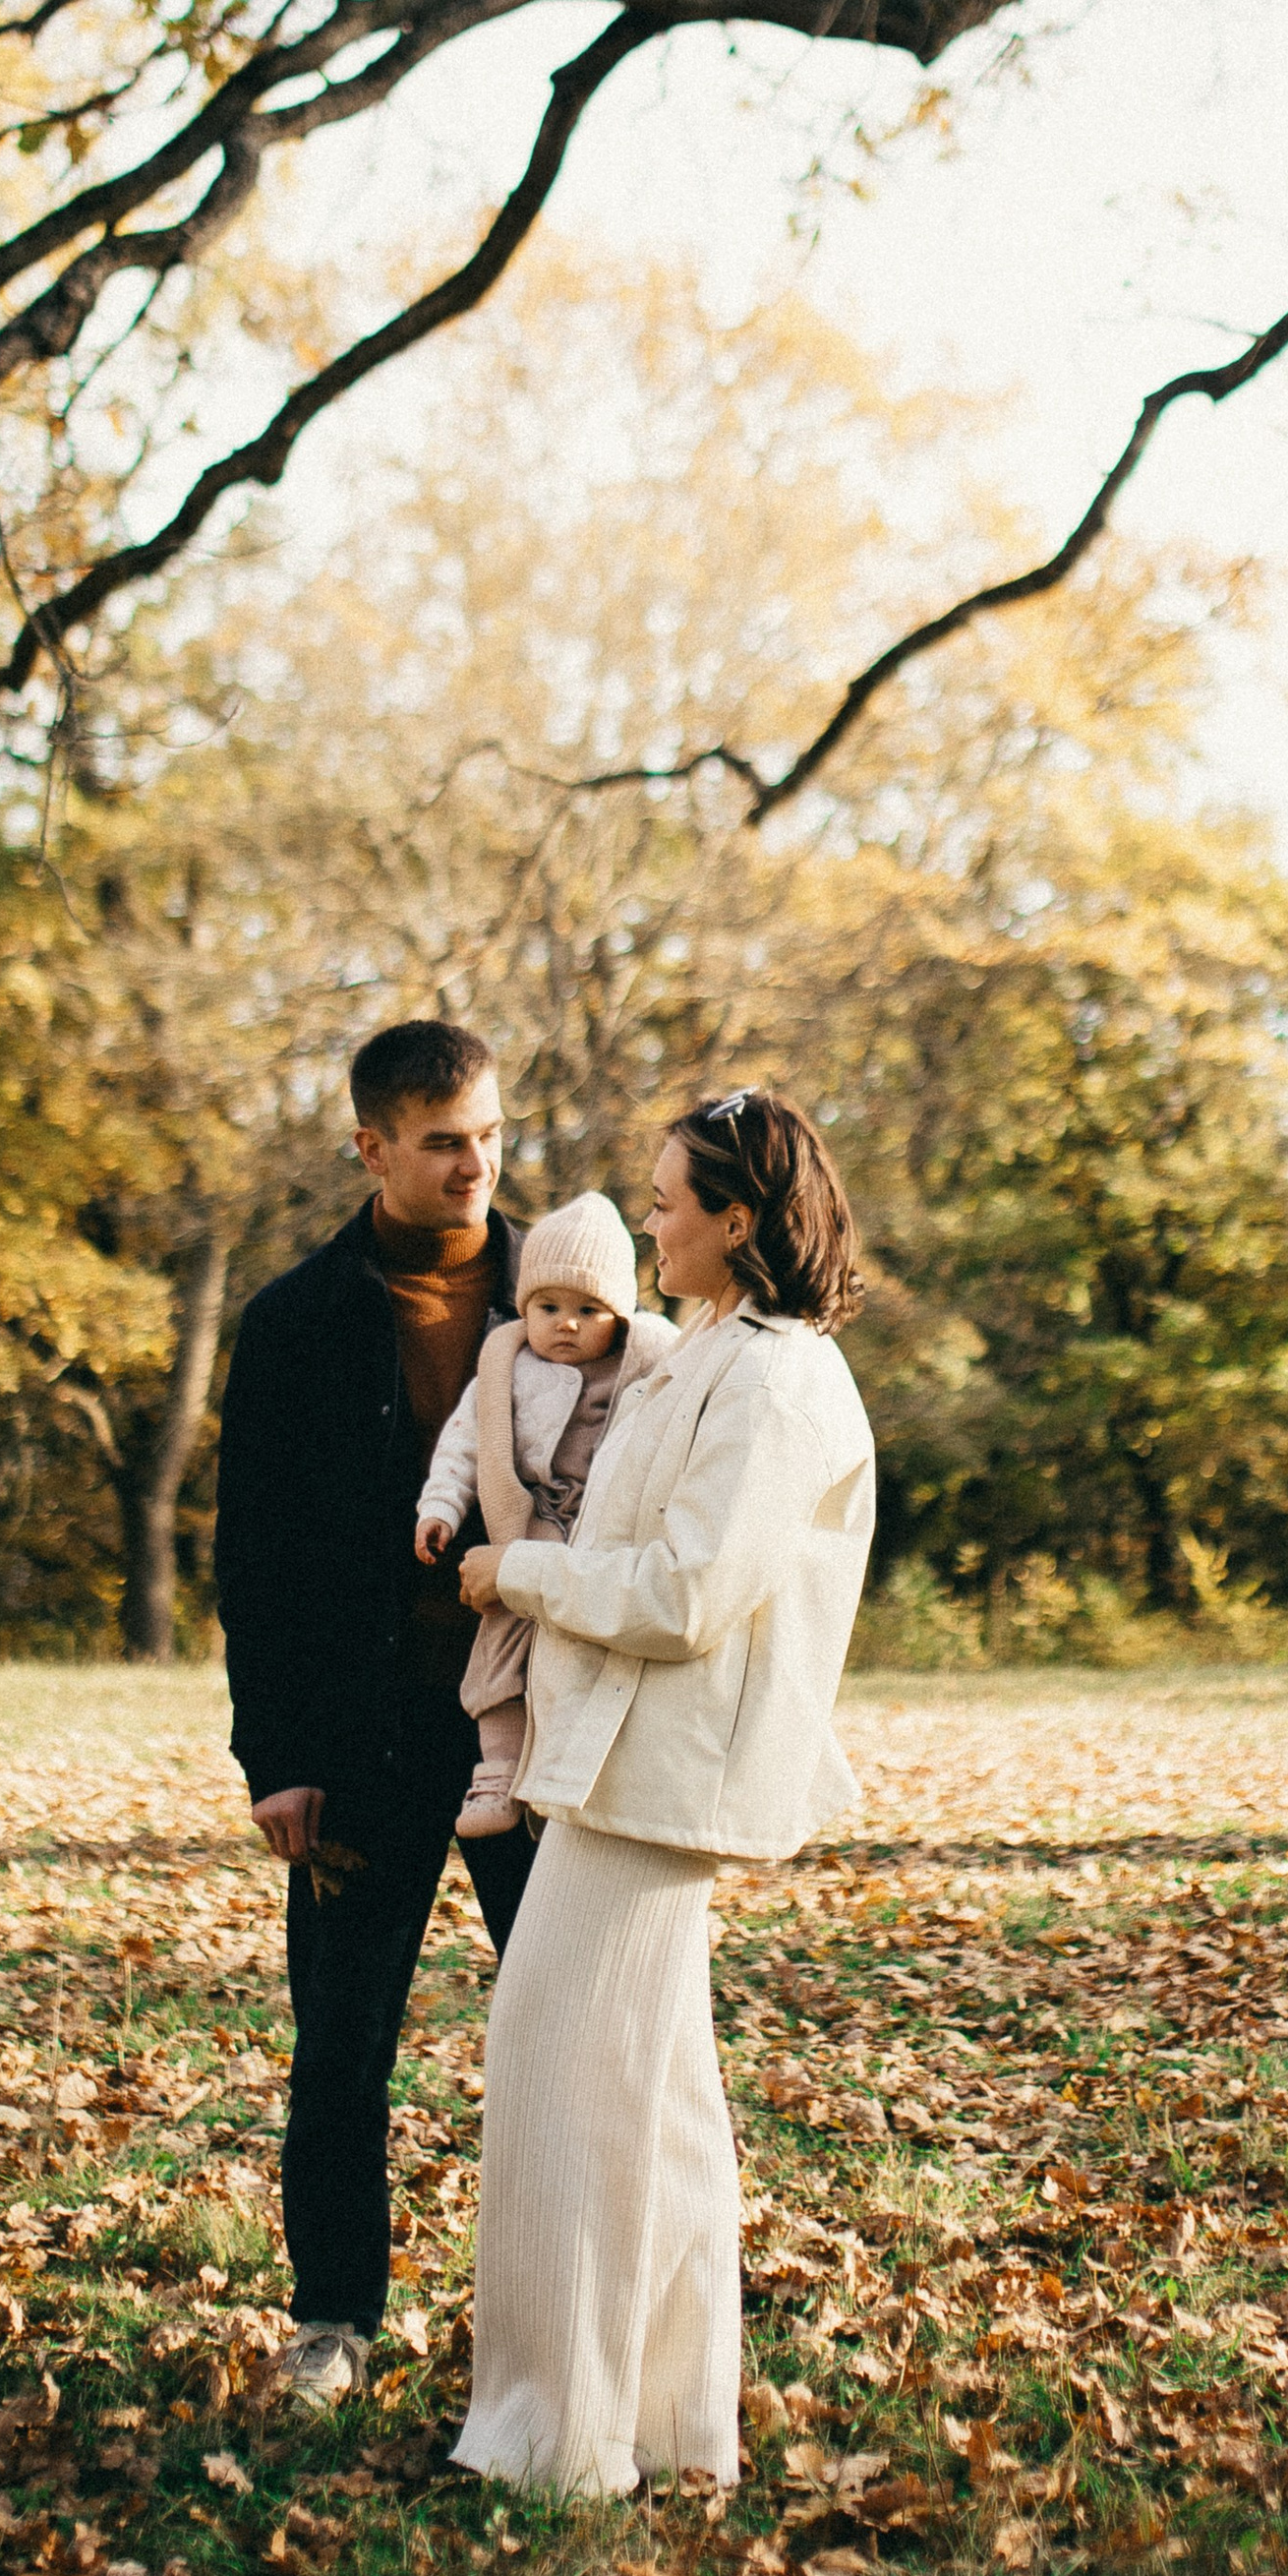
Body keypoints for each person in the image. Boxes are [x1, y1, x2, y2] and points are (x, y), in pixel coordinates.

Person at [449, 1087, 875, 2496]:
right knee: (657, 2104)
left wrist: (522, 1574)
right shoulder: (702, 1354)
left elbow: (690, 1594)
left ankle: (555, 2440)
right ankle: (677, 2423)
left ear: (739, 1220)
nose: (648, 1216)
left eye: (670, 1198)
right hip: (615, 1767)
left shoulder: (778, 1380)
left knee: (563, 2081)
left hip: (665, 1784)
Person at [213, 1016, 534, 2412]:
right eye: (445, 1141)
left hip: (539, 1730)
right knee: (343, 2043)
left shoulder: (575, 1302)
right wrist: (275, 1758)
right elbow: (254, 1560)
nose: (476, 1166)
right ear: (372, 1147)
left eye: (491, 1137)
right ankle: (335, 2315)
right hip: (364, 1739)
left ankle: (563, 2310)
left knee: (570, 2028)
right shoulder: (294, 1324)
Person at [414, 1190, 679, 1837]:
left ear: (619, 1315)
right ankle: (498, 1772)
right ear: (524, 1307)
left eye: (588, 1309)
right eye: (548, 1307)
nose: (566, 1324)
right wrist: (441, 1507)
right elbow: (463, 1446)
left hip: (598, 1538)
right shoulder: (507, 1370)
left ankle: (562, 1775)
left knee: (578, 1659)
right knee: (501, 1648)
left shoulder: (642, 1370)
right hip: (525, 1528)